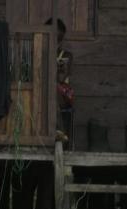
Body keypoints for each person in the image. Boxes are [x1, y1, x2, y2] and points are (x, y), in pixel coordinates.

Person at [45, 18, 73, 146]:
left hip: (62, 95)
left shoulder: (66, 55)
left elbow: (61, 79)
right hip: (44, 91)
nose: (56, 41)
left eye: (58, 38)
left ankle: (59, 131)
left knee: (53, 88)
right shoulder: (40, 52)